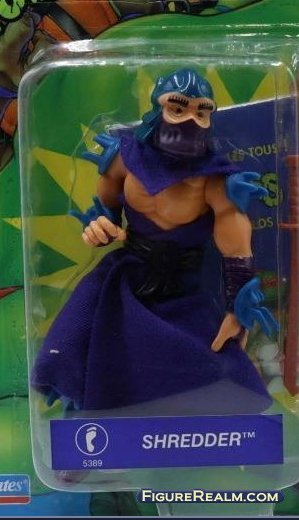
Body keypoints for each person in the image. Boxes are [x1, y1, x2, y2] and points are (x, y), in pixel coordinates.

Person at [32, 68, 277, 414]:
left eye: (201, 112)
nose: (189, 120)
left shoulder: (216, 182)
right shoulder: (123, 158)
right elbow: (105, 210)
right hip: (126, 273)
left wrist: (238, 311)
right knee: (78, 342)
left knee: (205, 361)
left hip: (180, 287)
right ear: (157, 109)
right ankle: (84, 414)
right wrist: (99, 227)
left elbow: (236, 252)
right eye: (178, 108)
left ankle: (205, 429)